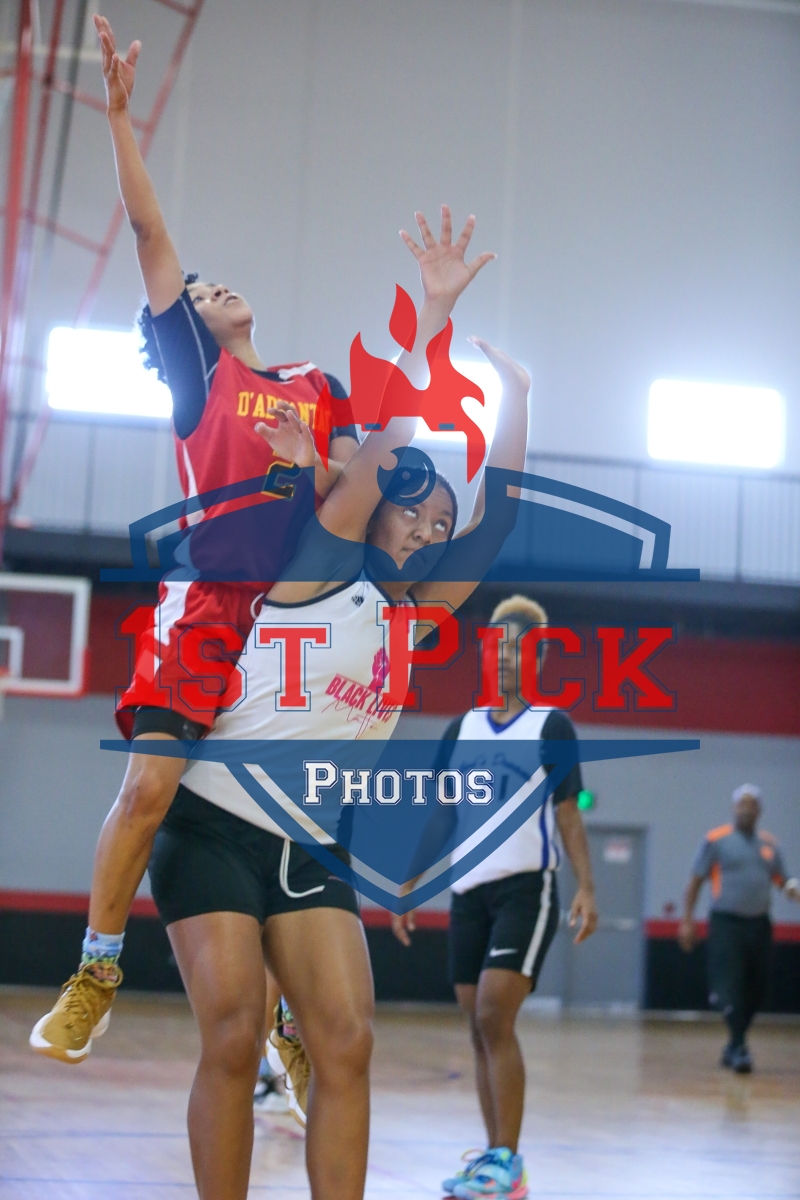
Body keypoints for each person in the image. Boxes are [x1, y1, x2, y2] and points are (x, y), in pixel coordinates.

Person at [142, 211, 525, 1200]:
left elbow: (500, 520)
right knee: (233, 1037)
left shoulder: (411, 619)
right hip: (214, 824)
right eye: (421, 511)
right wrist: (432, 317)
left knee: (347, 1042)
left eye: (441, 523)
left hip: (309, 844)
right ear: (377, 508)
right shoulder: (319, 561)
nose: (432, 528)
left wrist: (516, 401)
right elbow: (386, 437)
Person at [30, 14, 359, 1064]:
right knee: (149, 790)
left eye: (219, 285)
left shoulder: (316, 385)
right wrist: (120, 120)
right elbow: (148, 233)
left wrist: (314, 465)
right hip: (210, 607)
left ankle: (284, 1025)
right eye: (200, 293)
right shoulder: (200, 379)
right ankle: (96, 970)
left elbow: (352, 496)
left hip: (295, 625)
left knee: (270, 826)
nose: (213, 290)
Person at [391, 593, 598, 1200]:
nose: (505, 658)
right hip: (468, 893)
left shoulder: (551, 726)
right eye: (497, 648)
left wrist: (587, 885)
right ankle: (493, 1158)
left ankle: (508, 1160)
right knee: (477, 1025)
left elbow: (569, 814)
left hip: (526, 891)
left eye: (518, 650)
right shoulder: (462, 729)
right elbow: (442, 814)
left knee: (492, 1015)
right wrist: (408, 882)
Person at [679, 784, 799, 1074]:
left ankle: (734, 1045)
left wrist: (792, 888)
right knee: (729, 985)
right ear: (734, 808)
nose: (746, 809)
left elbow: (782, 880)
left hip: (759, 923)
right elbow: (695, 881)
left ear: (759, 810)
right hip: (726, 923)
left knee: (756, 989)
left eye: (752, 804)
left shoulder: (769, 845)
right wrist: (687, 920)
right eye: (742, 804)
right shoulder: (716, 840)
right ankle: (739, 1046)